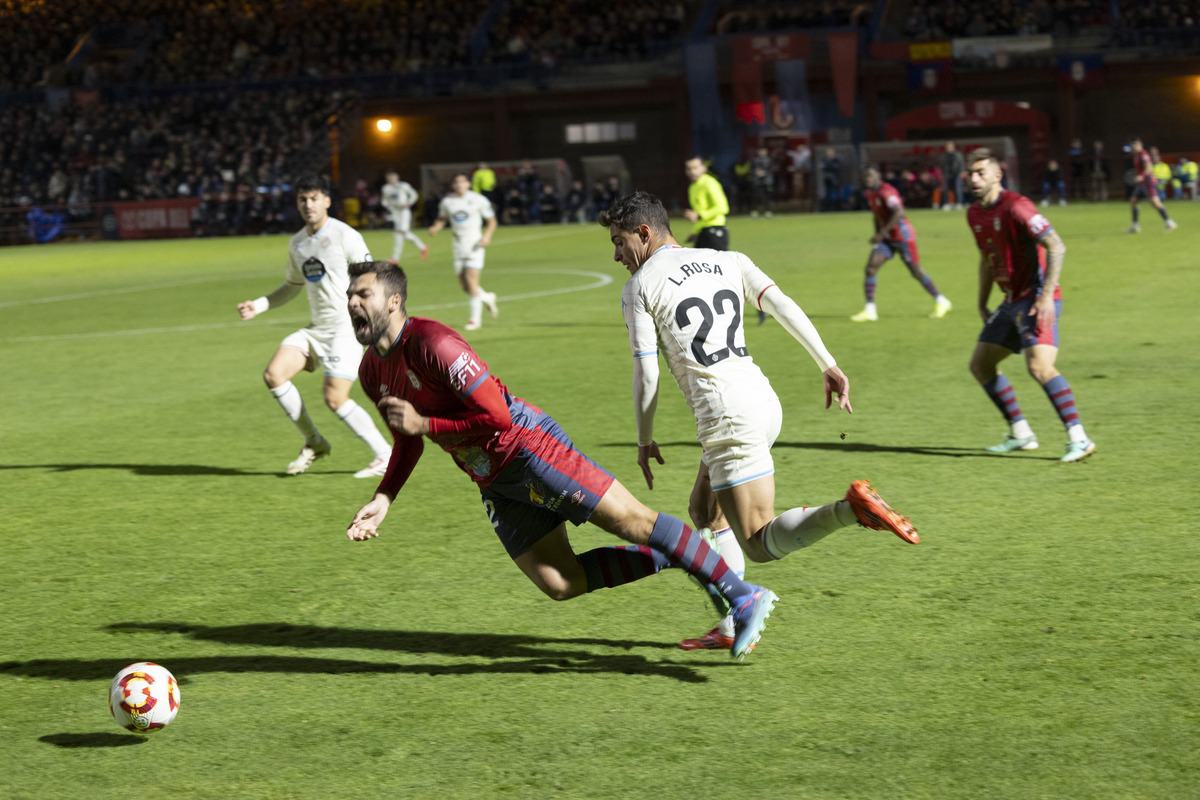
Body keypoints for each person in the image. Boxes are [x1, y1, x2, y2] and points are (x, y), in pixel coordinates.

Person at [343, 261, 778, 660]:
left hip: (526, 446)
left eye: (363, 294)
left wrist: (426, 425)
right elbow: (407, 438)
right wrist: (384, 498)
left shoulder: (434, 343)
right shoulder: (371, 372)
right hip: (491, 477)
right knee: (559, 581)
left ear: (394, 301)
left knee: (633, 521)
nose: (352, 303)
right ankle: (681, 551)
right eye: (349, 295)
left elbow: (493, 414)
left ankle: (742, 597)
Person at [599, 191, 918, 651]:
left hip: (726, 417)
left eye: (618, 241)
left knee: (758, 541)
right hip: (763, 403)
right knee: (704, 510)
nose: (615, 255)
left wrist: (644, 439)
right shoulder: (727, 258)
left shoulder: (640, 287)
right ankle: (730, 625)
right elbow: (781, 303)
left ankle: (851, 510)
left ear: (644, 233)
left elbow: (647, 371)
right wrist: (826, 363)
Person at [236, 174, 393, 478]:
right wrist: (260, 304)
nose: (308, 205)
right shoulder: (298, 243)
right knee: (274, 374)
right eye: (302, 200)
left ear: (326, 201)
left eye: (314, 198)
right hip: (316, 329)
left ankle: (384, 455)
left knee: (335, 398)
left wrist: (373, 320)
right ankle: (314, 442)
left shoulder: (345, 235)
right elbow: (292, 285)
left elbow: (371, 278)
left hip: (345, 328)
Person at [963, 148, 1097, 463]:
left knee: (1039, 367)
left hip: (1036, 298)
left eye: (981, 172)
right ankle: (1021, 434)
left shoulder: (1017, 206)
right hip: (1010, 300)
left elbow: (1055, 245)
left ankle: (1080, 438)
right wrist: (982, 302)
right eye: (970, 173)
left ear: (998, 175)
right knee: (981, 366)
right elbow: (987, 259)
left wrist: (1047, 295)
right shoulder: (974, 213)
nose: (974, 178)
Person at [852, 165, 952, 322]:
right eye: (865, 177)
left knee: (916, 272)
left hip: (903, 237)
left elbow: (899, 212)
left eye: (870, 176)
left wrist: (881, 233)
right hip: (887, 239)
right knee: (871, 268)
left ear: (878, 176)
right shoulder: (869, 193)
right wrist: (878, 234)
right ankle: (870, 310)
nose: (867, 179)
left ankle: (942, 300)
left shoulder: (887, 191)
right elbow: (877, 215)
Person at [428, 173, 500, 331]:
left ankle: (475, 320)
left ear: (468, 184)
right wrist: (436, 227)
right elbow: (442, 218)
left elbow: (492, 221)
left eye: (462, 182)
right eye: (456, 182)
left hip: (475, 244)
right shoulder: (448, 202)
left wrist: (487, 237)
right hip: (458, 246)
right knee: (465, 286)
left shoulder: (478, 200)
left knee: (471, 279)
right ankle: (487, 298)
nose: (459, 185)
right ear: (454, 185)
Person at [1127, 138, 1176, 233]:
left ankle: (1170, 222)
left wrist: (1141, 176)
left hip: (1148, 181)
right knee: (1133, 200)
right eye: (1132, 145)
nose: (1134, 147)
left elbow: (1149, 167)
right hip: (1142, 183)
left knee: (1154, 202)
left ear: (1140, 144)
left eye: (1135, 145)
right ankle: (1135, 226)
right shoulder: (1136, 155)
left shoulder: (1144, 154)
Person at [683, 156, 730, 251]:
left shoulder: (710, 183)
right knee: (694, 264)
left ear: (703, 168)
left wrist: (699, 216)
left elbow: (722, 207)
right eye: (689, 169)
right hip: (703, 231)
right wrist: (695, 232)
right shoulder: (693, 187)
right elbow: (699, 211)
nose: (692, 171)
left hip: (715, 230)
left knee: (720, 264)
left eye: (695, 168)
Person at [380, 170, 429, 262]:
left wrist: (409, 203)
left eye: (393, 177)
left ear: (397, 178)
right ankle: (422, 247)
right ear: (387, 179)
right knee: (401, 233)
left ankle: (396, 258)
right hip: (395, 212)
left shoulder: (404, 185)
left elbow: (414, 194)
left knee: (400, 232)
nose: (391, 179)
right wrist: (386, 204)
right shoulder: (386, 188)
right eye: (389, 178)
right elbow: (384, 200)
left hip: (404, 211)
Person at [939, 141, 966, 210]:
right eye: (948, 146)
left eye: (951, 146)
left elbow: (961, 164)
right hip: (947, 174)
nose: (949, 148)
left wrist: (962, 172)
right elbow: (941, 165)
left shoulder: (958, 155)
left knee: (958, 189)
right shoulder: (943, 156)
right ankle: (946, 204)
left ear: (953, 147)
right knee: (946, 190)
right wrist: (943, 173)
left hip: (957, 174)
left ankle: (959, 203)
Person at [750, 147, 775, 218]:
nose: (762, 153)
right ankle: (754, 211)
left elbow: (771, 169)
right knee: (756, 196)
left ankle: (768, 211)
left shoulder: (769, 159)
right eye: (761, 151)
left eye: (764, 151)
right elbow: (751, 169)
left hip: (767, 181)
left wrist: (765, 173)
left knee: (768, 196)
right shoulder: (755, 160)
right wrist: (756, 172)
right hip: (757, 181)